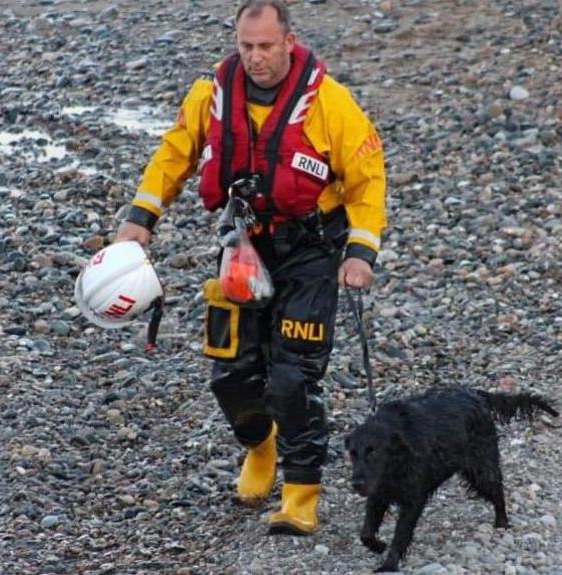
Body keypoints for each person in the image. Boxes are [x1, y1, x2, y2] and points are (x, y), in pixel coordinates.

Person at [115, 0, 386, 536]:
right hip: (243, 247)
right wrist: (140, 216)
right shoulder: (210, 96)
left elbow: (367, 177)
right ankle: (260, 446)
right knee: (231, 375)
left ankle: (301, 491)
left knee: (292, 376)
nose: (256, 58)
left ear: (288, 42)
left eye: (266, 46)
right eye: (246, 47)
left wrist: (360, 252)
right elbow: (174, 155)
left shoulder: (330, 104)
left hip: (310, 252)